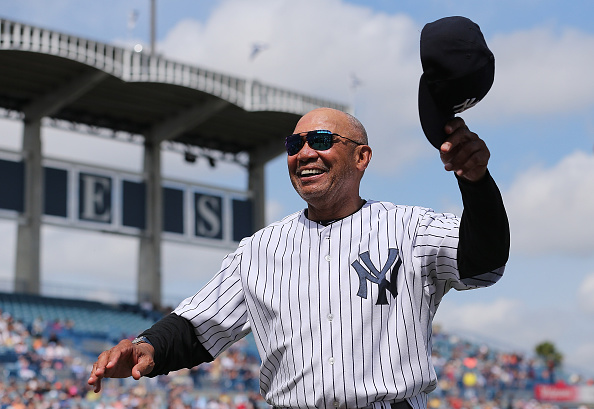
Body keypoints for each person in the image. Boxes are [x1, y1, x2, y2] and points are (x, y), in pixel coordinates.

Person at [88, 107, 509, 409]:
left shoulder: (410, 227)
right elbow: (198, 326)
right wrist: (147, 347)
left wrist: (476, 183)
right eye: (295, 143)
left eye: (322, 141)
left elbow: (483, 260)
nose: (305, 153)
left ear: (361, 157)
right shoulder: (260, 249)